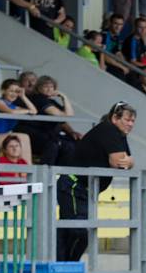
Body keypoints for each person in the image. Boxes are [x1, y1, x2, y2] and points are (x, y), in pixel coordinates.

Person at [56, 102, 135, 262]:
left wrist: (130, 161)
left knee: (73, 231)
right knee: (78, 231)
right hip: (74, 185)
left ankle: (65, 271)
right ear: (114, 118)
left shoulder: (119, 135)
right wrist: (130, 161)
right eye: (127, 120)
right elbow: (119, 162)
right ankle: (65, 269)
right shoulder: (108, 130)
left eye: (133, 121)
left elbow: (126, 162)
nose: (130, 124)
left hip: (85, 190)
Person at [13, 75, 77, 165]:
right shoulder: (39, 99)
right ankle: (46, 176)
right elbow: (64, 115)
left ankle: (63, 175)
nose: (49, 89)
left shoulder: (51, 101)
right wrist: (64, 98)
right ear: (39, 88)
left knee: (74, 143)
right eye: (46, 87)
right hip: (37, 136)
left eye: (51, 87)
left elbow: (69, 115)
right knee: (56, 145)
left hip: (48, 135)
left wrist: (64, 97)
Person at [0, 78, 36, 163]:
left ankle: (25, 170)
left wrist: (23, 96)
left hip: (4, 136)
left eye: (16, 91)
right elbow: (11, 112)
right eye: (11, 91)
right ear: (3, 91)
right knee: (23, 137)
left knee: (22, 139)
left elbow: (34, 111)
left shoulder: (14, 106)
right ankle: (27, 171)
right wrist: (27, 111)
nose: (14, 94)